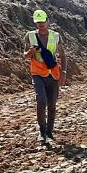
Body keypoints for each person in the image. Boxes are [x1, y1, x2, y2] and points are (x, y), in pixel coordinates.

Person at [23, 9, 67, 142]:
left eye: (43, 22)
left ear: (48, 21)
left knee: (52, 104)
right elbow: (24, 56)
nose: (41, 24)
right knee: (41, 101)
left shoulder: (56, 36)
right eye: (38, 22)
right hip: (37, 73)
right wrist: (30, 52)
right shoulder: (29, 36)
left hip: (53, 73)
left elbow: (63, 55)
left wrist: (63, 73)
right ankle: (42, 132)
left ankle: (49, 132)